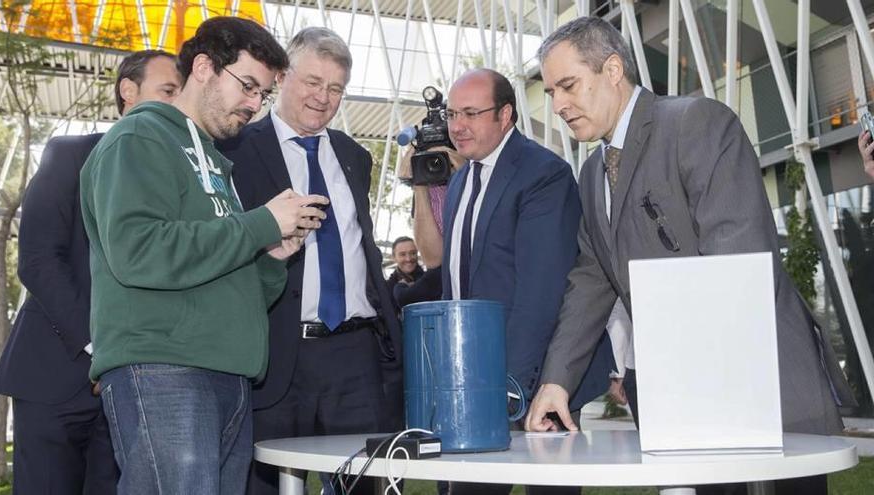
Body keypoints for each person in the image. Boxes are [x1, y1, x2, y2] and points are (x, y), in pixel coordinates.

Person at [525, 17, 856, 495]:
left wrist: (680, 378)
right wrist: (557, 381)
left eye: (568, 85)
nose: (557, 105)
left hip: (759, 388)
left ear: (613, 69)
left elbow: (736, 259)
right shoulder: (593, 171)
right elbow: (590, 283)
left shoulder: (695, 123)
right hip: (683, 401)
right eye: (551, 91)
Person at [79, 17, 327, 494]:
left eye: (263, 95)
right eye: (248, 86)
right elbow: (139, 252)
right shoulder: (140, 139)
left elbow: (233, 280)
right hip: (163, 369)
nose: (255, 105)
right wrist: (258, 223)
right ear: (204, 67)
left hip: (228, 375)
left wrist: (271, 255)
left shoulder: (215, 162)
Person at [217, 26, 403, 495]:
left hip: (356, 356)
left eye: (336, 88)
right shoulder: (236, 150)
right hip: (279, 353)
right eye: (313, 82)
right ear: (282, 77)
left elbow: (362, 244)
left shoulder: (355, 156)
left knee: (363, 486)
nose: (324, 97)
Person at [0, 49, 181, 495]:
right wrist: (101, 347)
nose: (177, 103)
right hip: (56, 372)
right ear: (128, 92)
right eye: (167, 90)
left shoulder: (182, 179)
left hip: (136, 387)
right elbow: (38, 261)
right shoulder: (71, 154)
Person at [433, 68, 613, 495]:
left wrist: (508, 388)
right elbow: (457, 280)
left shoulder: (543, 174)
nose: (457, 126)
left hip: (532, 382)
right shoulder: (460, 180)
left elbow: (542, 293)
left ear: (506, 115)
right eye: (452, 113)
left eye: (472, 113)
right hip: (472, 378)